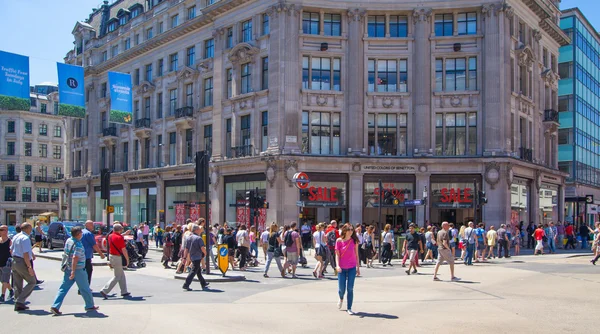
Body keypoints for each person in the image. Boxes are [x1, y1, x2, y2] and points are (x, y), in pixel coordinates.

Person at [50, 226, 99, 315]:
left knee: (63, 288)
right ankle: (89, 305)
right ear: (79, 234)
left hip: (68, 268)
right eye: (81, 233)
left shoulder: (69, 241)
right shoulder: (78, 244)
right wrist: (73, 271)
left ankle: (55, 306)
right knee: (85, 288)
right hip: (78, 269)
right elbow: (75, 258)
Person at [10, 223, 37, 311]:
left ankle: (18, 303)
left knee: (17, 283)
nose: (31, 230)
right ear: (27, 229)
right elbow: (25, 254)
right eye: (30, 228)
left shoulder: (16, 236)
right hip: (22, 261)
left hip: (14, 260)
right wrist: (29, 267)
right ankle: (20, 301)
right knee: (32, 281)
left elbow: (11, 249)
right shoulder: (25, 238)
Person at [335, 223, 360, 315]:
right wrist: (337, 265)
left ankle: (349, 307)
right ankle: (341, 298)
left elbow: (357, 254)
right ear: (344, 230)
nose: (351, 231)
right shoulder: (339, 241)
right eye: (349, 229)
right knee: (342, 288)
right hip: (342, 267)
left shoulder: (354, 241)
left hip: (352, 267)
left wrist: (358, 267)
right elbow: (337, 255)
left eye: (352, 230)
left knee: (350, 288)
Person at [100, 224, 130, 299]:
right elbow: (124, 250)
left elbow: (117, 236)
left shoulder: (110, 236)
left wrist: (124, 234)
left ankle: (124, 291)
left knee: (121, 274)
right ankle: (105, 290)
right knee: (117, 276)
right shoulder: (120, 238)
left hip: (111, 256)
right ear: (120, 230)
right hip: (117, 257)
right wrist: (127, 259)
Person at [182, 224, 210, 291]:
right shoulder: (198, 238)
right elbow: (202, 248)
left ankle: (203, 283)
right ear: (196, 230)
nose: (200, 231)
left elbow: (186, 249)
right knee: (194, 271)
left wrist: (184, 257)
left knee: (198, 271)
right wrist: (206, 253)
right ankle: (186, 284)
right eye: (199, 229)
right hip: (197, 256)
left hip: (192, 256)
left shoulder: (189, 237)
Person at [81, 220, 105, 289]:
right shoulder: (88, 234)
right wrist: (101, 254)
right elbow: (94, 245)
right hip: (86, 257)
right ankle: (85, 288)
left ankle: (82, 288)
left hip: (80, 256)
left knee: (82, 274)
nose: (93, 226)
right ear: (87, 225)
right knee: (88, 272)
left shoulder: (81, 232)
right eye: (92, 225)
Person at [0, 225, 15, 302]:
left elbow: (12, 251)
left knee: (5, 280)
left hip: (7, 263)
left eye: (3, 229)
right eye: (1, 229)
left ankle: (2, 295)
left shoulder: (9, 241)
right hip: (0, 262)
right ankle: (11, 290)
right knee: (2, 280)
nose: (2, 231)